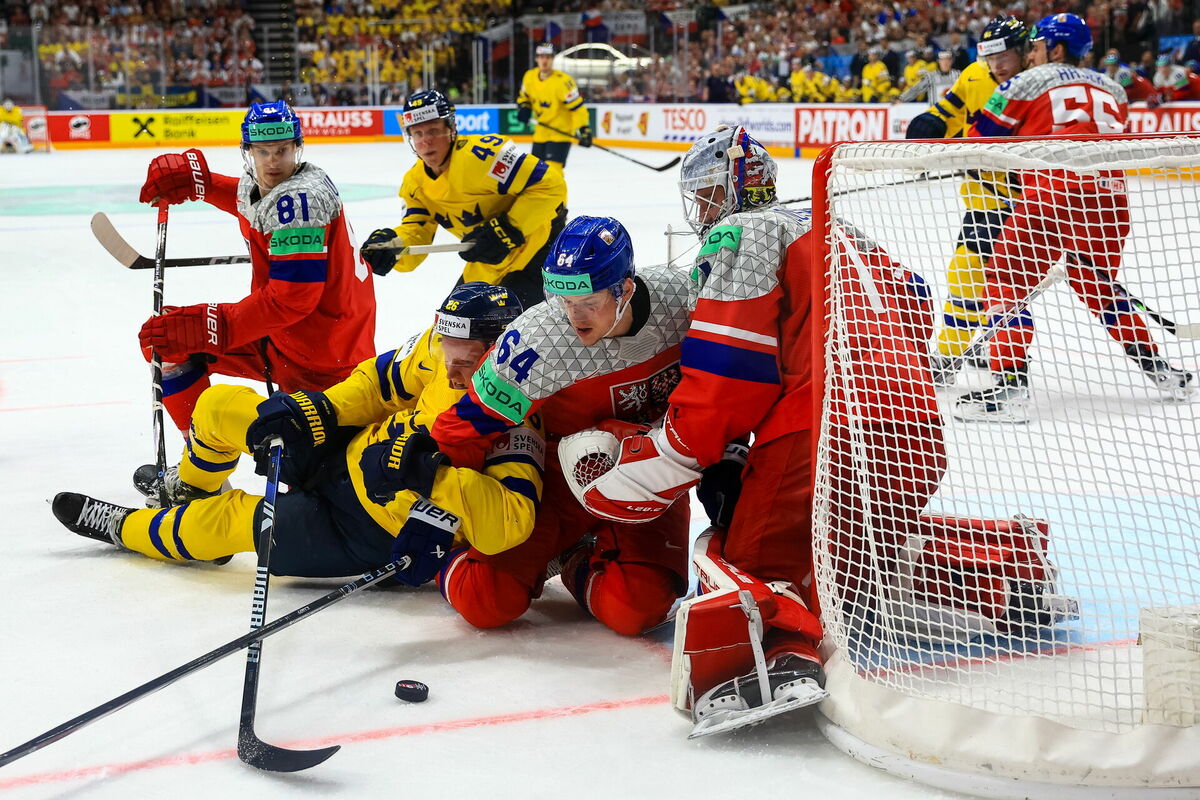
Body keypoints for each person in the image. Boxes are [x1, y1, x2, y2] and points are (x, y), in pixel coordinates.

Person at [561, 126, 949, 737]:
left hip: (822, 429)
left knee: (747, 560)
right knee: (852, 556)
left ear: (740, 189)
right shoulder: (833, 222)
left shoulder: (743, 233)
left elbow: (727, 378)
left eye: (711, 196)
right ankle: (1008, 567)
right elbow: (920, 304)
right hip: (918, 424)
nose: (704, 212)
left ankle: (780, 658)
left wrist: (667, 452)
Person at [52, 283, 544, 582]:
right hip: (344, 452)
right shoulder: (442, 346)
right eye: (447, 352)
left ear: (502, 350)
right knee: (219, 404)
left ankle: (128, 530)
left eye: (468, 359)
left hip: (366, 527)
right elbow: (379, 381)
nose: (452, 369)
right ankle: (187, 489)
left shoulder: (518, 409)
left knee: (228, 522)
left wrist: (429, 478)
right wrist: (320, 411)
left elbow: (512, 523)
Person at [430, 215, 695, 637]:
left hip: (648, 475)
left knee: (636, 610)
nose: (574, 317)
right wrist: (440, 509)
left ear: (624, 289)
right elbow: (465, 425)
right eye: (564, 299)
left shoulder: (684, 304)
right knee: (485, 598)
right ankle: (536, 548)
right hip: (556, 484)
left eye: (588, 302)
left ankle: (577, 558)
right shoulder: (540, 339)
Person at [959, 13, 1192, 421]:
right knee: (1098, 288)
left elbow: (979, 139)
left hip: (1051, 195)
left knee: (1004, 284)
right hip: (1109, 203)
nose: (1030, 53)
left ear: (1057, 48)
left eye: (1034, 46)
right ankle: (1162, 371)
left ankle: (1010, 390)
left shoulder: (1026, 82)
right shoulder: (1113, 88)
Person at [136, 100, 376, 434]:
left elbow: (292, 300)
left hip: (324, 358)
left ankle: (208, 468)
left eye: (281, 150)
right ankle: (200, 467)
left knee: (306, 472)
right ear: (247, 152)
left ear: (297, 147)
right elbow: (251, 200)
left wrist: (218, 325)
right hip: (287, 338)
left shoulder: (299, 202)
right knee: (165, 339)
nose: (272, 162)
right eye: (262, 152)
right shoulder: (271, 185)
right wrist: (200, 184)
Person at [361, 89, 568, 308]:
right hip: (490, 262)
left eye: (433, 131)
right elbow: (416, 231)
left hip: (538, 249)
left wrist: (507, 229)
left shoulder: (483, 154)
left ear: (451, 129)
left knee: (510, 333)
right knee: (450, 330)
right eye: (418, 134)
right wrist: (394, 246)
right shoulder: (414, 184)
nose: (426, 142)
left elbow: (551, 184)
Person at [912, 16, 1029, 386]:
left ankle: (994, 363)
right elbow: (947, 112)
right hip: (985, 202)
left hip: (1032, 203)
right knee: (968, 277)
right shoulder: (975, 76)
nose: (997, 65)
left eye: (1005, 56)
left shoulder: (1038, 83)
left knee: (999, 287)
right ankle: (956, 354)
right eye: (990, 56)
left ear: (1025, 51)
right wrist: (930, 125)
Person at [516, 42, 592, 170]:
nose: (544, 60)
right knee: (535, 174)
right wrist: (524, 107)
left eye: (548, 57)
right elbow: (524, 97)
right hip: (540, 132)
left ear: (552, 58)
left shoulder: (563, 82)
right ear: (536, 59)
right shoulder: (529, 77)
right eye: (541, 57)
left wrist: (584, 129)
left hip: (560, 133)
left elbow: (577, 109)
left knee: (553, 172)